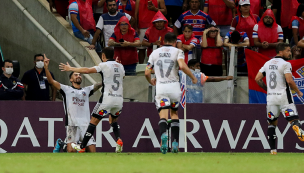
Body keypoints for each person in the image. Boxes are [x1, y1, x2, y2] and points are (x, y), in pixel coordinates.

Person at [59, 47, 125, 153]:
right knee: (113, 121)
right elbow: (122, 77)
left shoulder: (104, 65)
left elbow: (87, 70)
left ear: (103, 56)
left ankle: (82, 146)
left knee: (93, 122)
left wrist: (71, 69)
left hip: (107, 100)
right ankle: (119, 140)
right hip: (119, 101)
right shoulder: (121, 66)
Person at [145, 33, 198, 154]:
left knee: (163, 116)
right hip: (174, 88)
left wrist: (151, 80)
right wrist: (192, 77)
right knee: (174, 114)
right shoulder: (178, 51)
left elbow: (147, 72)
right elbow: (182, 66)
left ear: (164, 40)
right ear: (175, 42)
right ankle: (175, 143)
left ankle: (164, 135)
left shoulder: (154, 53)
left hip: (161, 88)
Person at [255, 43, 304, 155]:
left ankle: (273, 150)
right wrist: (298, 91)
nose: (290, 53)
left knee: (272, 124)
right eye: (287, 50)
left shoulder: (267, 63)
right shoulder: (285, 64)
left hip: (271, 98)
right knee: (293, 120)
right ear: (280, 52)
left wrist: (267, 89)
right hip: (284, 97)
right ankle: (296, 127)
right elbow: (290, 81)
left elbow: (257, 78)